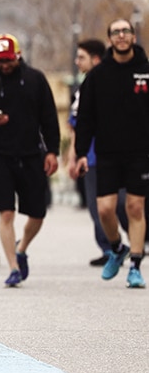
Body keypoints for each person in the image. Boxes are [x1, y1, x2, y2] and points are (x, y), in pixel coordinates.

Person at [0, 33, 60, 288]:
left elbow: (49, 118)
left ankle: (23, 247)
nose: (5, 65)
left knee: (37, 213)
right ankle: (14, 268)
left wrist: (52, 151)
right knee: (5, 212)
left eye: (9, 60)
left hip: (31, 154)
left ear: (18, 55)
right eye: (0, 61)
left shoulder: (35, 79)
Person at [73, 19, 149, 288]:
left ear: (133, 37)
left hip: (140, 152)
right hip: (107, 152)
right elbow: (85, 119)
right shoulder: (97, 75)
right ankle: (117, 249)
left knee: (135, 207)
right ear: (110, 39)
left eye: (126, 31)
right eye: (115, 32)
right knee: (105, 210)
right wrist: (81, 153)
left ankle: (136, 266)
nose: (121, 36)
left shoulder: (145, 70)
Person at [66, 39, 128, 267]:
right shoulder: (83, 88)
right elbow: (75, 124)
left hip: (116, 153)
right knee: (97, 207)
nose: (77, 62)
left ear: (96, 59)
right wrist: (73, 156)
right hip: (90, 156)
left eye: (81, 57)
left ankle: (135, 241)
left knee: (123, 203)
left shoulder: (115, 82)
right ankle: (110, 249)